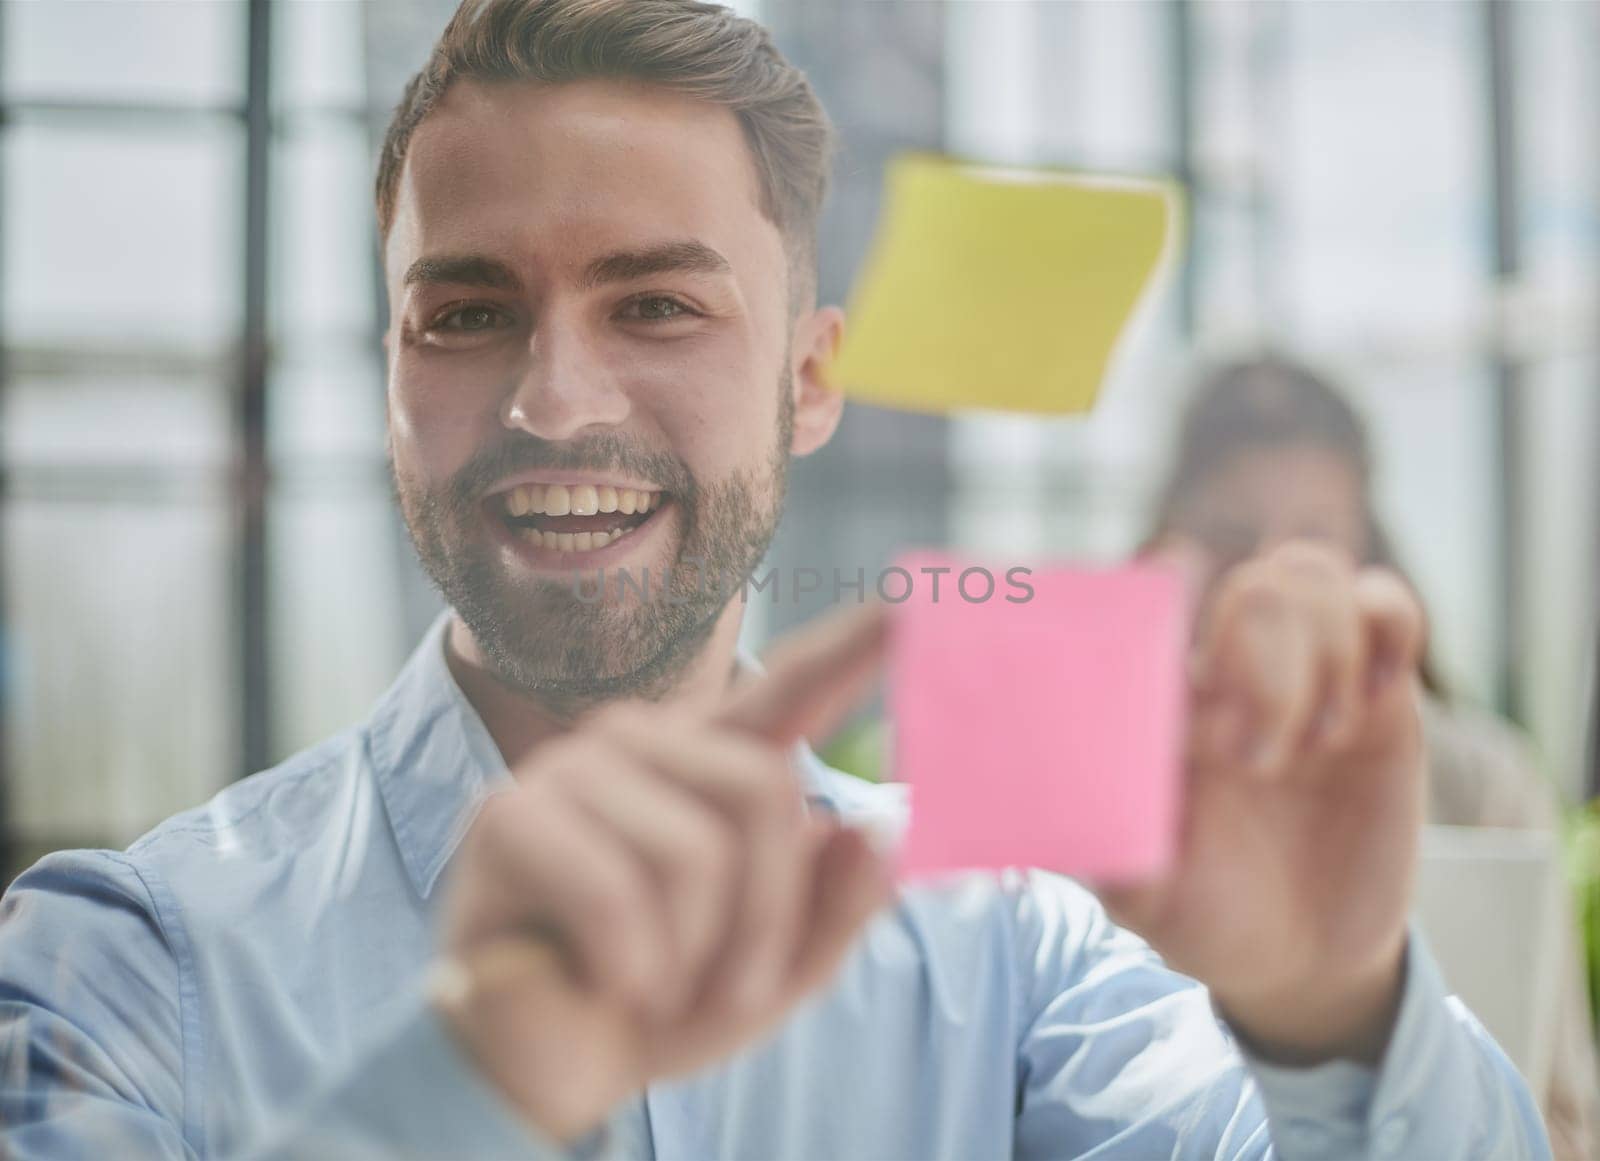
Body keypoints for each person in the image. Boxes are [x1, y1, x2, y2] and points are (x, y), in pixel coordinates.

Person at [0, 2, 1547, 1156]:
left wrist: (1333, 1018)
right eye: (465, 315)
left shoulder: (1014, 955)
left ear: (813, 379)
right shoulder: (134, 961)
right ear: (392, 364)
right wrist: (467, 1089)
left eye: (658, 305)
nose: (556, 402)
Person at [1146, 353, 1600, 1159]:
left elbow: (1572, 1118)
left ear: (1366, 549)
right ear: (1167, 544)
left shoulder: (1480, 782)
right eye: (1229, 536)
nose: (1267, 576)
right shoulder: (1101, 778)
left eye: (1312, 538)